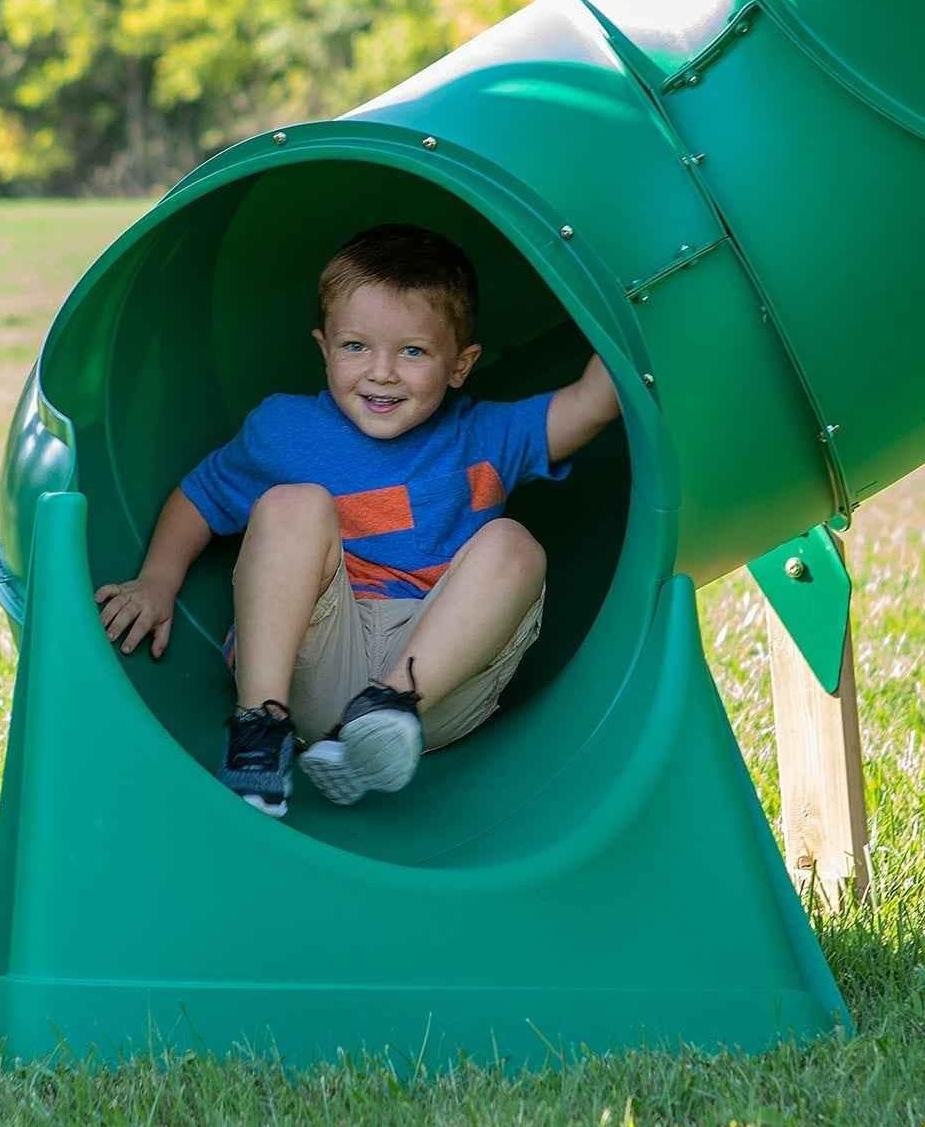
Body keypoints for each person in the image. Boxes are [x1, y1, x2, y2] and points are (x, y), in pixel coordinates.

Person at [95, 223, 622, 816]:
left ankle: (380, 715)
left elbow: (592, 403)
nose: (382, 372)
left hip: (432, 692)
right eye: (356, 347)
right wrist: (158, 581)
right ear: (324, 349)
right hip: (313, 655)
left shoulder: (488, 434)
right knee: (293, 505)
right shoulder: (286, 429)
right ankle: (258, 732)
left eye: (413, 351)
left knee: (515, 545)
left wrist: (636, 292)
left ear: (461, 365)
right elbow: (199, 498)